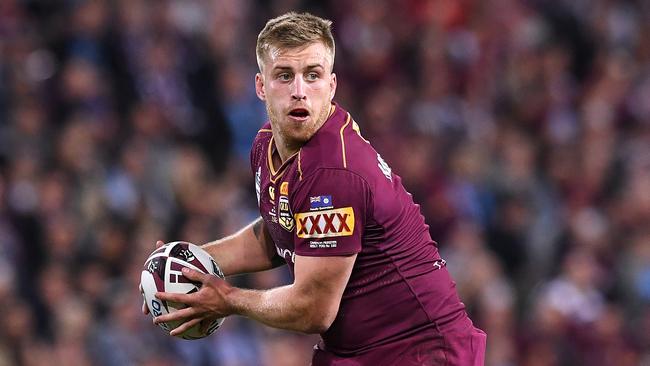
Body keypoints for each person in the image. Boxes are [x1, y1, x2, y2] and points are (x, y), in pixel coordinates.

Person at [146, 12, 486, 365]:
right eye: (284, 76)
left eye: (313, 75)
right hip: (359, 352)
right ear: (261, 86)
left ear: (332, 85)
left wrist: (228, 299)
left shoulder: (333, 172)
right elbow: (280, 230)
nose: (299, 91)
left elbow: (313, 310)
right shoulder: (265, 146)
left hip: (420, 353)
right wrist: (190, 264)